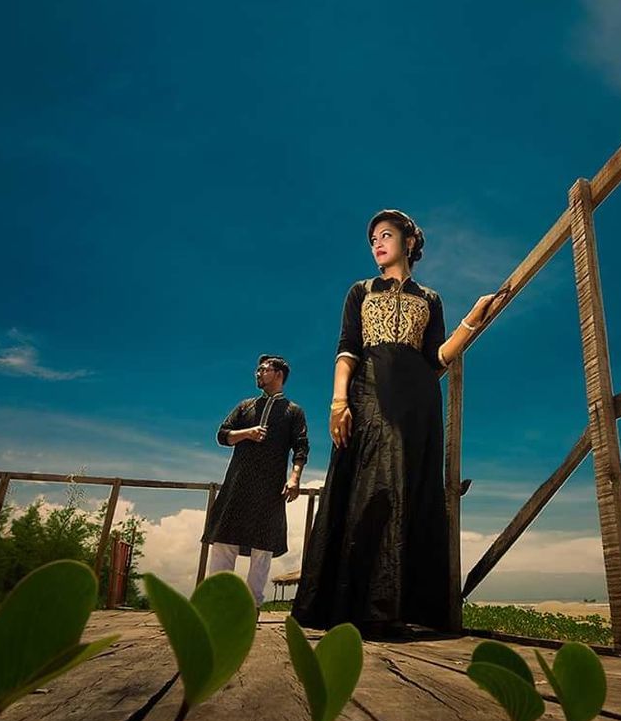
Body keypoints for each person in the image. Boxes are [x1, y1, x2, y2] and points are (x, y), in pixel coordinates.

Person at [291, 210, 501, 638]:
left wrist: (474, 320)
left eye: (386, 236)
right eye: (372, 239)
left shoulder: (431, 299)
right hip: (368, 392)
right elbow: (348, 348)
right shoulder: (360, 291)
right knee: (372, 485)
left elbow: (436, 360)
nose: (377, 244)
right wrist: (337, 401)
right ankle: (359, 608)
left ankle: (395, 610)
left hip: (419, 402)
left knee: (409, 488)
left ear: (409, 242)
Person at [201, 354, 309, 609]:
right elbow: (222, 435)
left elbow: (301, 447)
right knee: (224, 540)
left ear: (278, 374)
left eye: (263, 369)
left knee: (263, 546)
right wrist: (246, 433)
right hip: (237, 483)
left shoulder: (293, 411)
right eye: (258, 370)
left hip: (270, 487)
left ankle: (252, 606)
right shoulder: (245, 406)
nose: (257, 374)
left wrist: (294, 478)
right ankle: (215, 601)